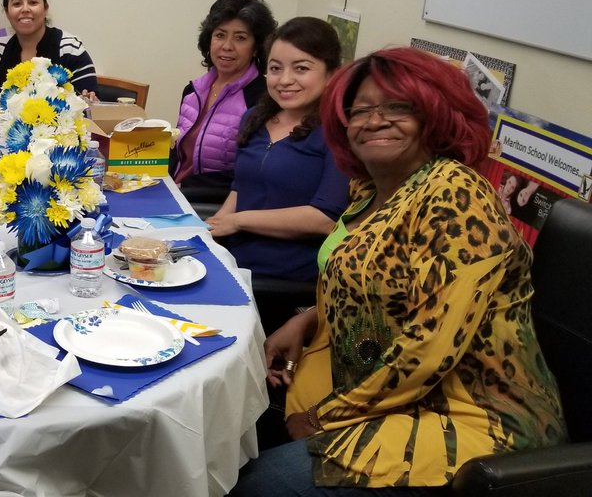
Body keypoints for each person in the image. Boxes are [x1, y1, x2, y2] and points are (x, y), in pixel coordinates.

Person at [233, 47, 567, 495]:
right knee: (235, 426)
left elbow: (429, 346)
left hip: (468, 419)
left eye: (398, 108)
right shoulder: (371, 190)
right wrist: (310, 317)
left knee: (255, 484)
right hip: (385, 394)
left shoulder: (455, 193)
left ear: (435, 116)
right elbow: (377, 285)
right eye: (361, 110)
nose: (374, 121)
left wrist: (320, 419)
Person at [206, 17, 349, 330]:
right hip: (232, 260)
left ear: (331, 73)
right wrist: (210, 232)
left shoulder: (337, 132)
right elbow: (240, 188)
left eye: (301, 68)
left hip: (283, 279)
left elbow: (325, 217)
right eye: (275, 68)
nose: (284, 80)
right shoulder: (254, 119)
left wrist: (239, 221)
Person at [172, 0, 277, 205]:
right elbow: (180, 154)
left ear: (256, 47)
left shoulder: (262, 99)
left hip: (214, 206)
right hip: (177, 194)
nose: (227, 46)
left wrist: (185, 188)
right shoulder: (192, 91)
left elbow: (249, 173)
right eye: (220, 35)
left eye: (240, 38)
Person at [0, 0, 98, 98]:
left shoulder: (71, 49)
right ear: (7, 12)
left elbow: (91, 108)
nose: (25, 9)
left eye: (33, 2)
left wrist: (90, 101)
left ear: (45, 8)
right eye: (17, 4)